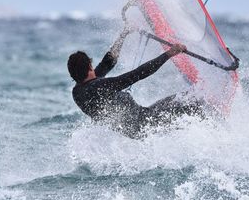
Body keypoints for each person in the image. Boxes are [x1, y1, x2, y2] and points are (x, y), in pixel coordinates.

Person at [68, 26, 204, 139]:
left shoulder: (79, 90)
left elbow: (107, 63)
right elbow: (138, 74)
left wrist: (124, 34)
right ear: (89, 67)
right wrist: (169, 54)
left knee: (183, 102)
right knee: (193, 103)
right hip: (147, 123)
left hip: (136, 127)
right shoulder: (98, 87)